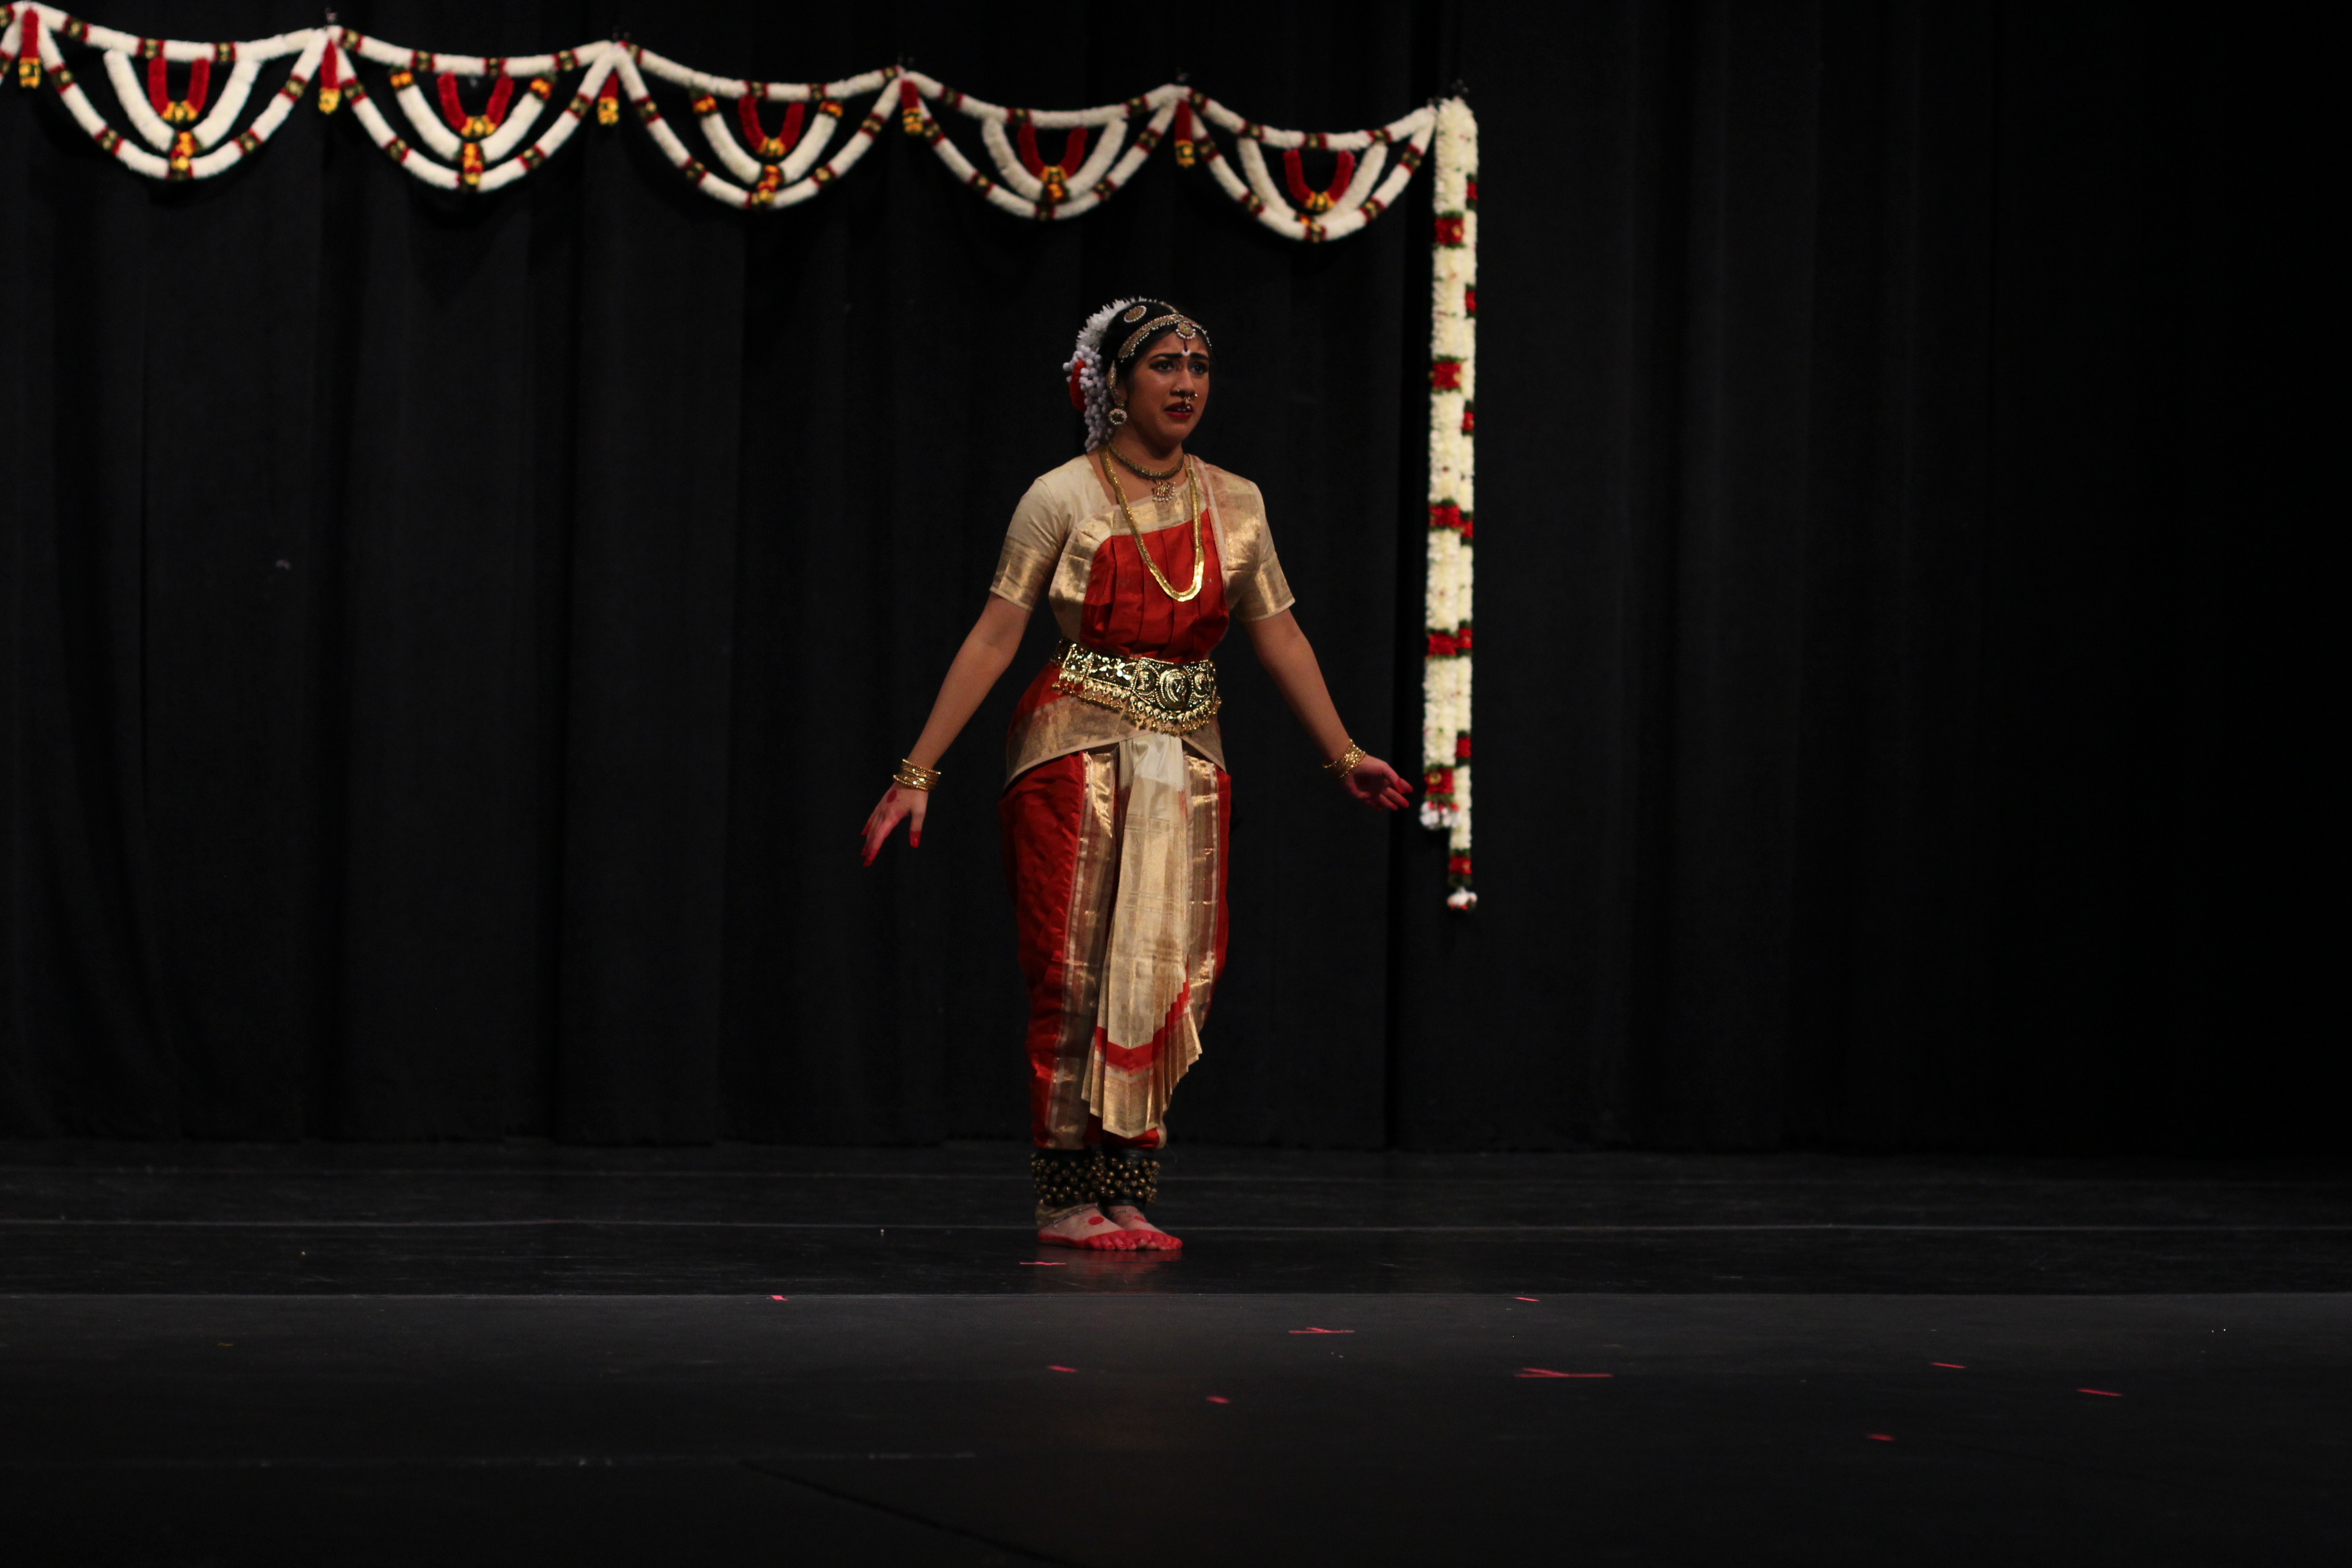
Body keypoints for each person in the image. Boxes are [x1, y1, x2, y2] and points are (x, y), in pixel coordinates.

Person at [860, 299, 1411, 1250]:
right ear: (1114, 383)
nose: (1187, 382)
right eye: (1164, 364)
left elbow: (1280, 635)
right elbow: (995, 635)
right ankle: (1064, 1198)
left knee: (1170, 976)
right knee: (1075, 971)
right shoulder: (1061, 496)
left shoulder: (1235, 501)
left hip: (1191, 759)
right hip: (1073, 753)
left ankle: (1126, 1190)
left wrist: (1346, 754)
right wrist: (918, 769)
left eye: (1200, 365)